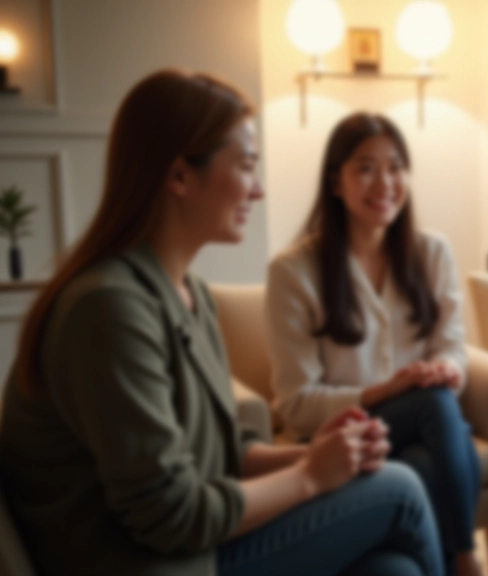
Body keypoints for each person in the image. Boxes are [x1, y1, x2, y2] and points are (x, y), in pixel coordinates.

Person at [0, 70, 443, 576]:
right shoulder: (107, 310)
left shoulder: (190, 295)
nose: (259, 191)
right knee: (400, 487)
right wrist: (310, 477)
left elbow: (219, 450)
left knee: (392, 571)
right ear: (180, 176)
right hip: (146, 561)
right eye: (247, 167)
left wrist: (321, 454)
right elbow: (172, 514)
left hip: (189, 546)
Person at [265, 112, 481, 576]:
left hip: (423, 431)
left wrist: (445, 369)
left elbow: (453, 347)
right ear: (336, 183)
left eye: (396, 166)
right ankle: (465, 556)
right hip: (341, 435)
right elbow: (296, 404)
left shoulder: (433, 252)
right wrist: (388, 391)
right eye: (365, 167)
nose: (385, 182)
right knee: (435, 408)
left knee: (435, 421)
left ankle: (432, 560)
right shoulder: (294, 271)